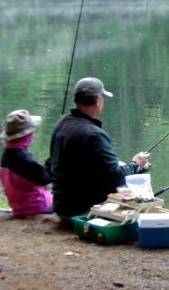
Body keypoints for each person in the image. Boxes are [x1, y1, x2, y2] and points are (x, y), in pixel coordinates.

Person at [50, 77, 150, 226]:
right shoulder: (94, 135)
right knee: (132, 185)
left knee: (121, 168)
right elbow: (115, 177)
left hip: (61, 208)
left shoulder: (60, 125)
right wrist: (136, 164)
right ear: (98, 100)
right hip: (85, 212)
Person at [0, 109, 53, 216]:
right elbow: (45, 178)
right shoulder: (22, 158)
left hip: (18, 206)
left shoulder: (7, 154)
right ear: (25, 136)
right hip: (35, 206)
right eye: (31, 132)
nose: (32, 134)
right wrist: (52, 161)